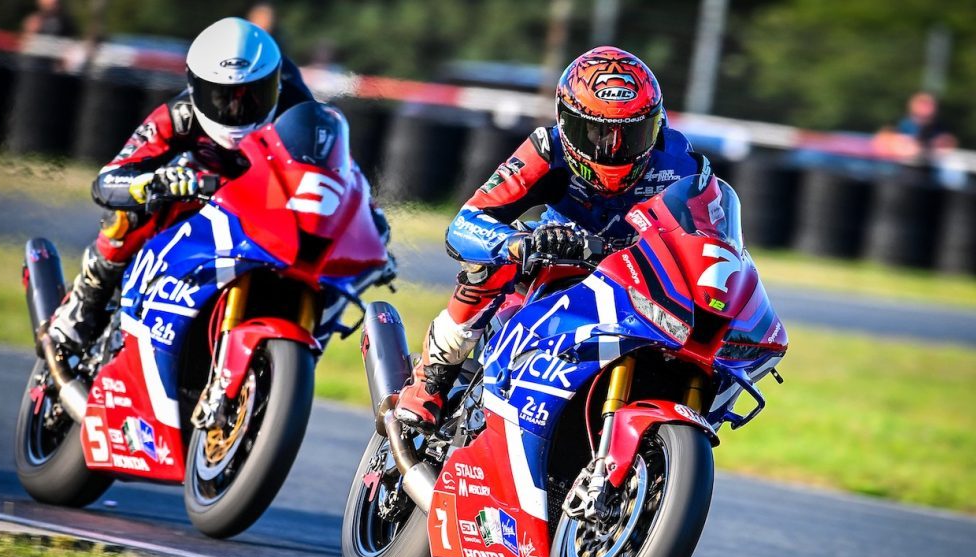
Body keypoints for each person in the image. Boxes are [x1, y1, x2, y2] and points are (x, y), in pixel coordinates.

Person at [394, 46, 711, 433]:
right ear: (566, 122)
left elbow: (712, 233)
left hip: (636, 274)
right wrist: (519, 244)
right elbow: (466, 223)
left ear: (655, 127)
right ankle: (431, 381)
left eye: (631, 134)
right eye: (595, 132)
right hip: (557, 259)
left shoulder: (681, 162)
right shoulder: (547, 149)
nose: (611, 149)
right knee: (488, 267)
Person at [47, 17, 390, 354]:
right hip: (195, 190)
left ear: (274, 86)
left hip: (261, 205)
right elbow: (110, 178)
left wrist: (366, 218)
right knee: (128, 215)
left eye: (252, 96)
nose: (236, 109)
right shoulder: (179, 114)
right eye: (221, 97)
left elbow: (339, 172)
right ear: (196, 87)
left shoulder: (297, 110)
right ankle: (85, 301)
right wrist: (152, 183)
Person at [873, 91, 957, 162]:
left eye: (929, 105)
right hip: (900, 166)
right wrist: (898, 144)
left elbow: (948, 144)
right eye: (923, 104)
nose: (926, 109)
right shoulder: (901, 122)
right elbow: (882, 139)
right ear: (913, 105)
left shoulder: (939, 127)